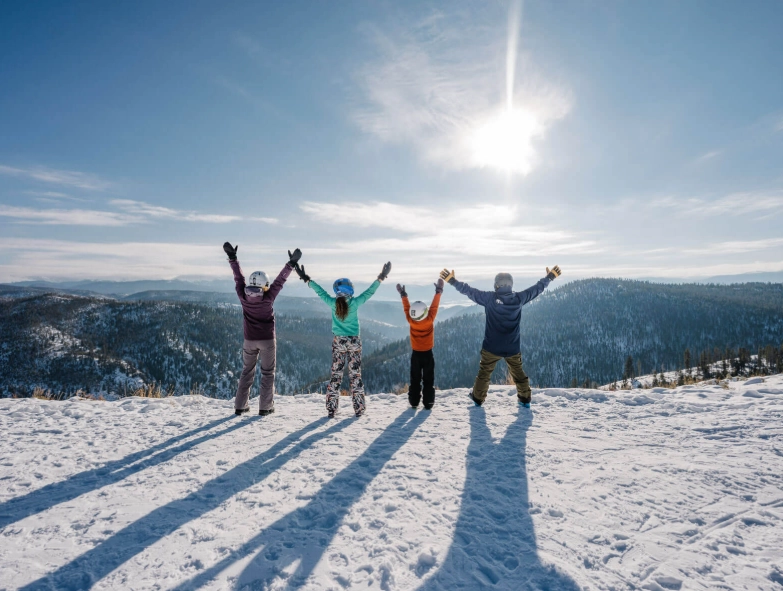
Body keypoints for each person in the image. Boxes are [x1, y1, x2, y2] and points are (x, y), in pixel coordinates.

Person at [439, 265, 561, 407]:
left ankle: (478, 398)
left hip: (491, 346)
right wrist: (550, 277)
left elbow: (469, 291)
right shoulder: (519, 298)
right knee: (518, 373)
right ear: (511, 284)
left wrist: (452, 281)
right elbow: (537, 289)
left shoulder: (489, 298)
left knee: (485, 373)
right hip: (512, 346)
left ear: (496, 284)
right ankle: (525, 398)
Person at [294, 261, 392, 418]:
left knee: (336, 375)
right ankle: (359, 408)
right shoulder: (355, 303)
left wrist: (307, 279)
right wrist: (381, 277)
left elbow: (320, 292)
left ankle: (331, 409)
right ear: (350, 290)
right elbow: (369, 292)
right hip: (354, 342)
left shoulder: (333, 303)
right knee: (355, 375)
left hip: (339, 342)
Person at [223, 242, 301, 416]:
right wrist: (291, 264)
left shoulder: (243, 296)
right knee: (267, 373)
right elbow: (280, 281)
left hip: (249, 341)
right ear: (265, 285)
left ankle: (240, 406)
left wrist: (233, 258)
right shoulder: (268, 298)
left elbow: (238, 278)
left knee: (246, 372)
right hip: (267, 341)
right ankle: (265, 407)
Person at [396, 278, 443, 409]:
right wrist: (438, 291)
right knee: (428, 379)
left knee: (415, 378)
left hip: (415, 354)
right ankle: (428, 402)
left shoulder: (411, 320)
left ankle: (414, 401)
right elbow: (435, 306)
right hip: (428, 354)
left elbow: (406, 308)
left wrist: (403, 295)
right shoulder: (429, 319)